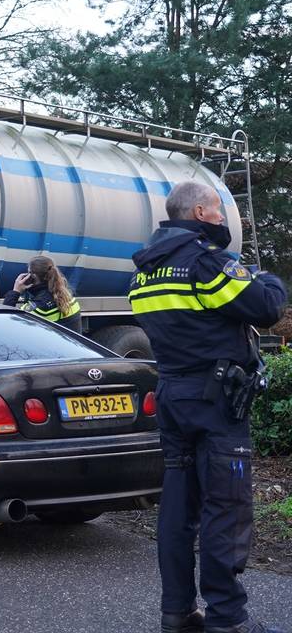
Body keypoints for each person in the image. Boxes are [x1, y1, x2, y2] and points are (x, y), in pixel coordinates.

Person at [129, 181, 287, 633]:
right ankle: (228, 619)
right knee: (226, 507)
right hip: (216, 403)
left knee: (177, 509)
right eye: (217, 211)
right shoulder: (205, 263)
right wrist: (264, 275)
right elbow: (266, 307)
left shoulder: (143, 273)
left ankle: (177, 613)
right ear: (200, 212)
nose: (222, 218)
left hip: (174, 398)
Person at [2, 255, 81, 332]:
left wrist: (15, 291)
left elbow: (6, 322)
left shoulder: (40, 305)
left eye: (29, 273)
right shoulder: (67, 296)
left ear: (34, 276)